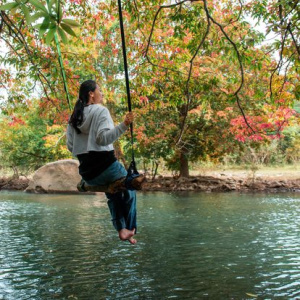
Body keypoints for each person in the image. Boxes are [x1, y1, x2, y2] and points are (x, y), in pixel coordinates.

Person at [66, 79, 137, 244]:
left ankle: (121, 229)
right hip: (107, 168)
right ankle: (130, 228)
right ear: (91, 94)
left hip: (88, 174)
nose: (102, 94)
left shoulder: (74, 117)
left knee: (113, 194)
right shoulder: (100, 111)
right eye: (100, 91)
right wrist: (124, 125)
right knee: (130, 188)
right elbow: (103, 139)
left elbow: (71, 146)